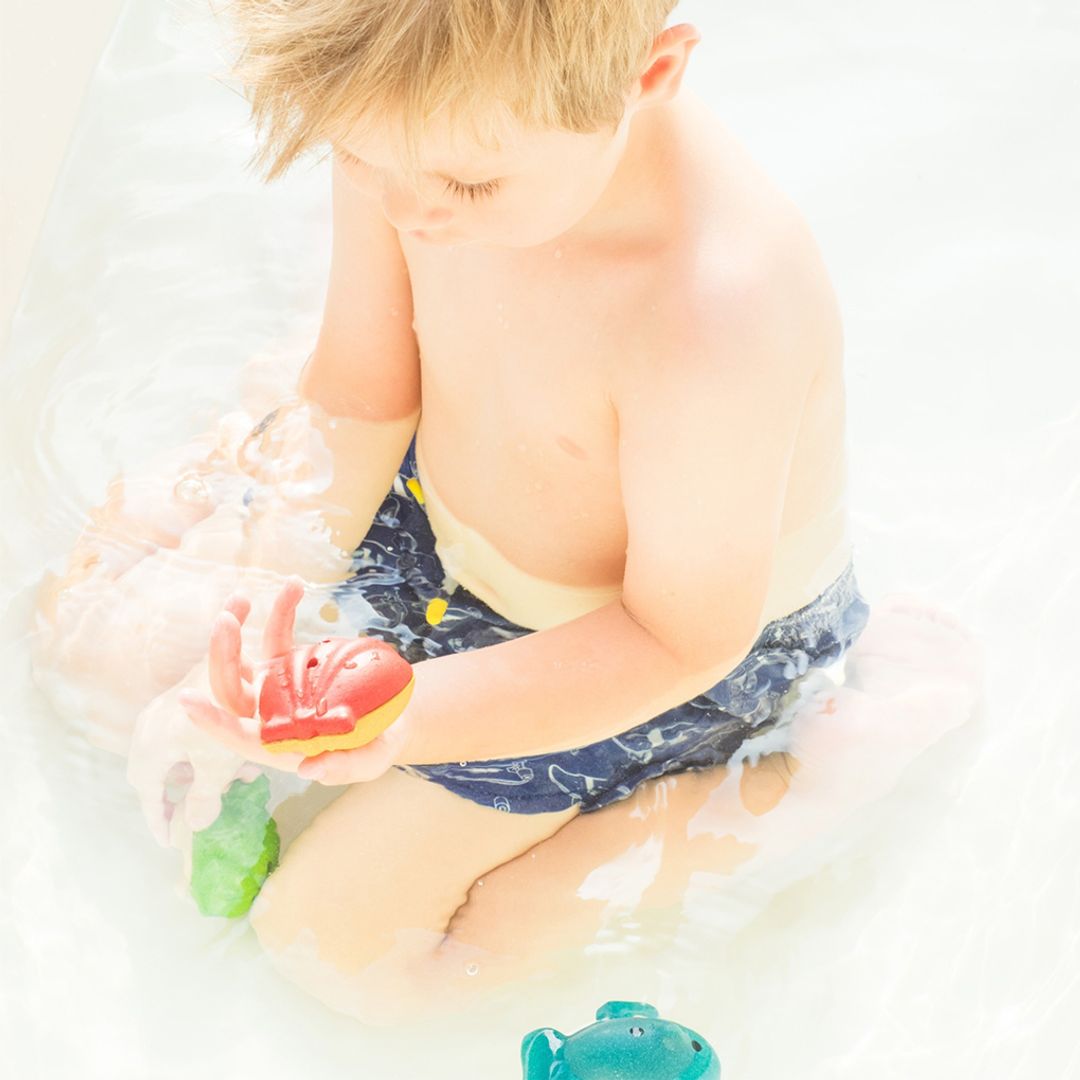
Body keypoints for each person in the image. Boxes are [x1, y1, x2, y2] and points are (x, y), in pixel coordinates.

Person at [32, 0, 982, 1025]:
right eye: (359, 158)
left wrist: (400, 721)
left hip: (646, 654)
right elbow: (364, 393)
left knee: (337, 953)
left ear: (648, 76)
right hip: (436, 516)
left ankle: (800, 787)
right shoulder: (418, 130)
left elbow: (676, 639)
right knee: (96, 654)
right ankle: (266, 427)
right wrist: (262, 595)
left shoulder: (714, 308)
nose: (409, 213)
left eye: (470, 186)